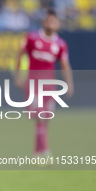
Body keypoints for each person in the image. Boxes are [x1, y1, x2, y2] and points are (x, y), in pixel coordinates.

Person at [14, 9, 74, 157]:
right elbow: (19, 55)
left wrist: (69, 83)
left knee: (45, 119)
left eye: (53, 21)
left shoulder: (60, 44)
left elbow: (65, 65)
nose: (50, 23)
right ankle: (46, 150)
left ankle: (36, 151)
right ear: (44, 22)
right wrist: (18, 76)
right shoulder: (32, 38)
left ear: (58, 24)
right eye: (48, 20)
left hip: (50, 86)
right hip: (34, 84)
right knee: (40, 115)